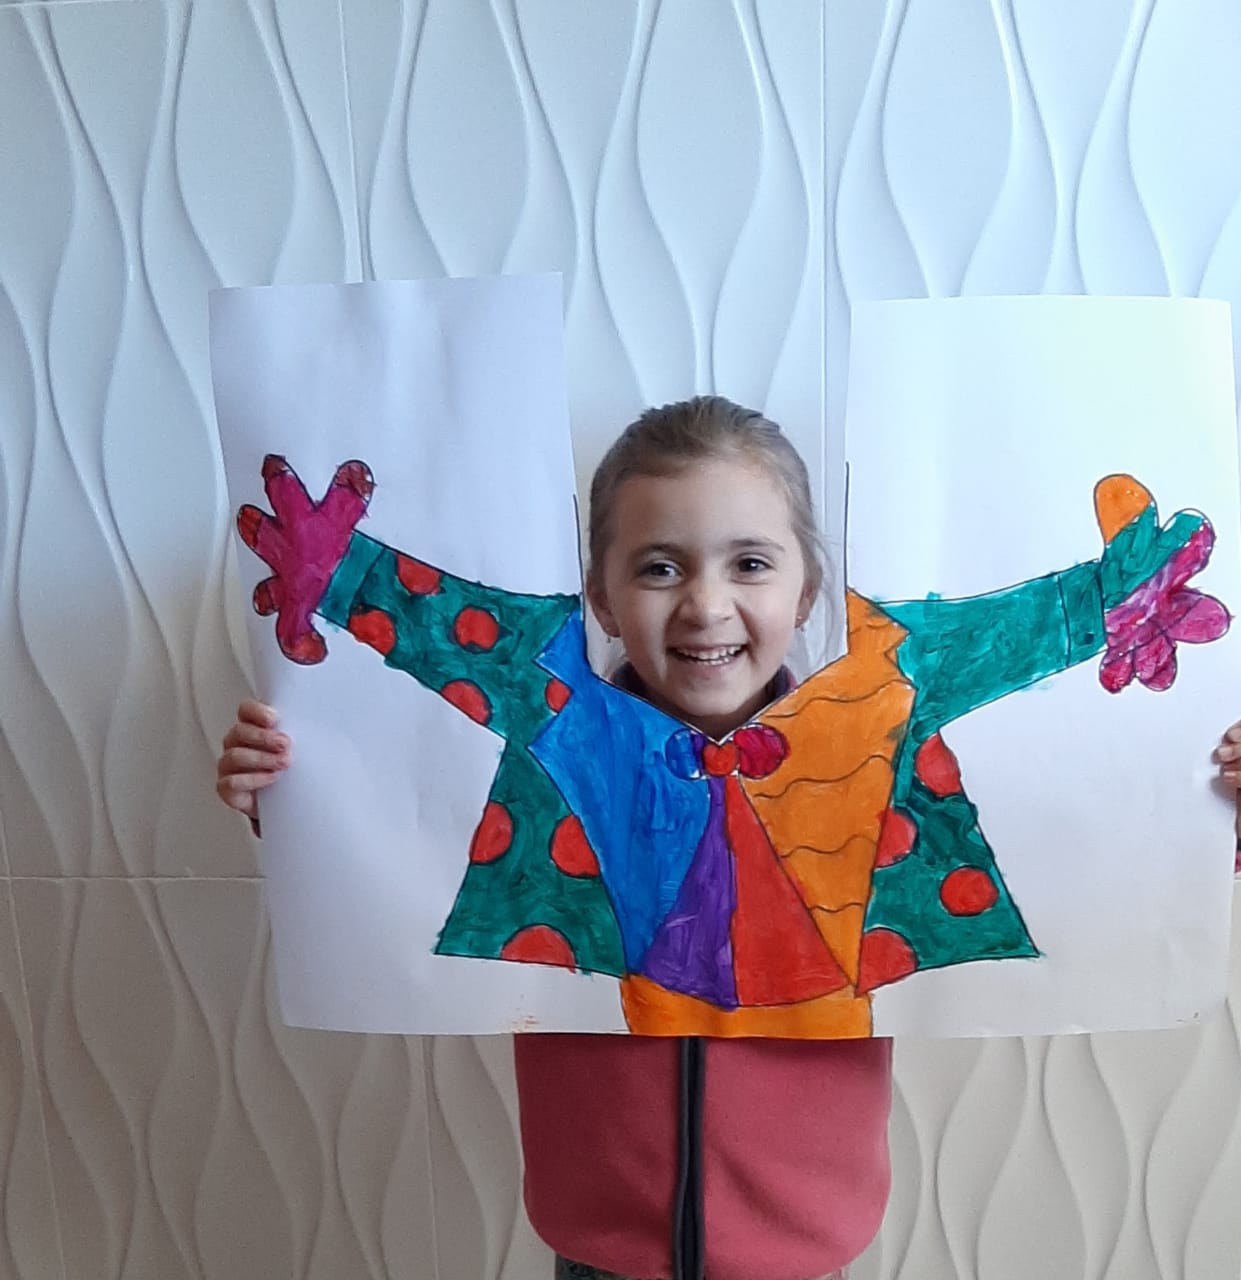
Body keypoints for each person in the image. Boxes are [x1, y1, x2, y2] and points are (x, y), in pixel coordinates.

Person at [218, 396, 1237, 1280]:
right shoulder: (556, 708)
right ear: (601, 597)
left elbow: (1070, 780)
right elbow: (409, 779)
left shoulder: (879, 706)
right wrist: (304, 799)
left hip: (805, 1242)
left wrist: (1207, 796)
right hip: (598, 1242)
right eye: (658, 567)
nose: (705, 604)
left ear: (806, 592)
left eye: (749, 562)